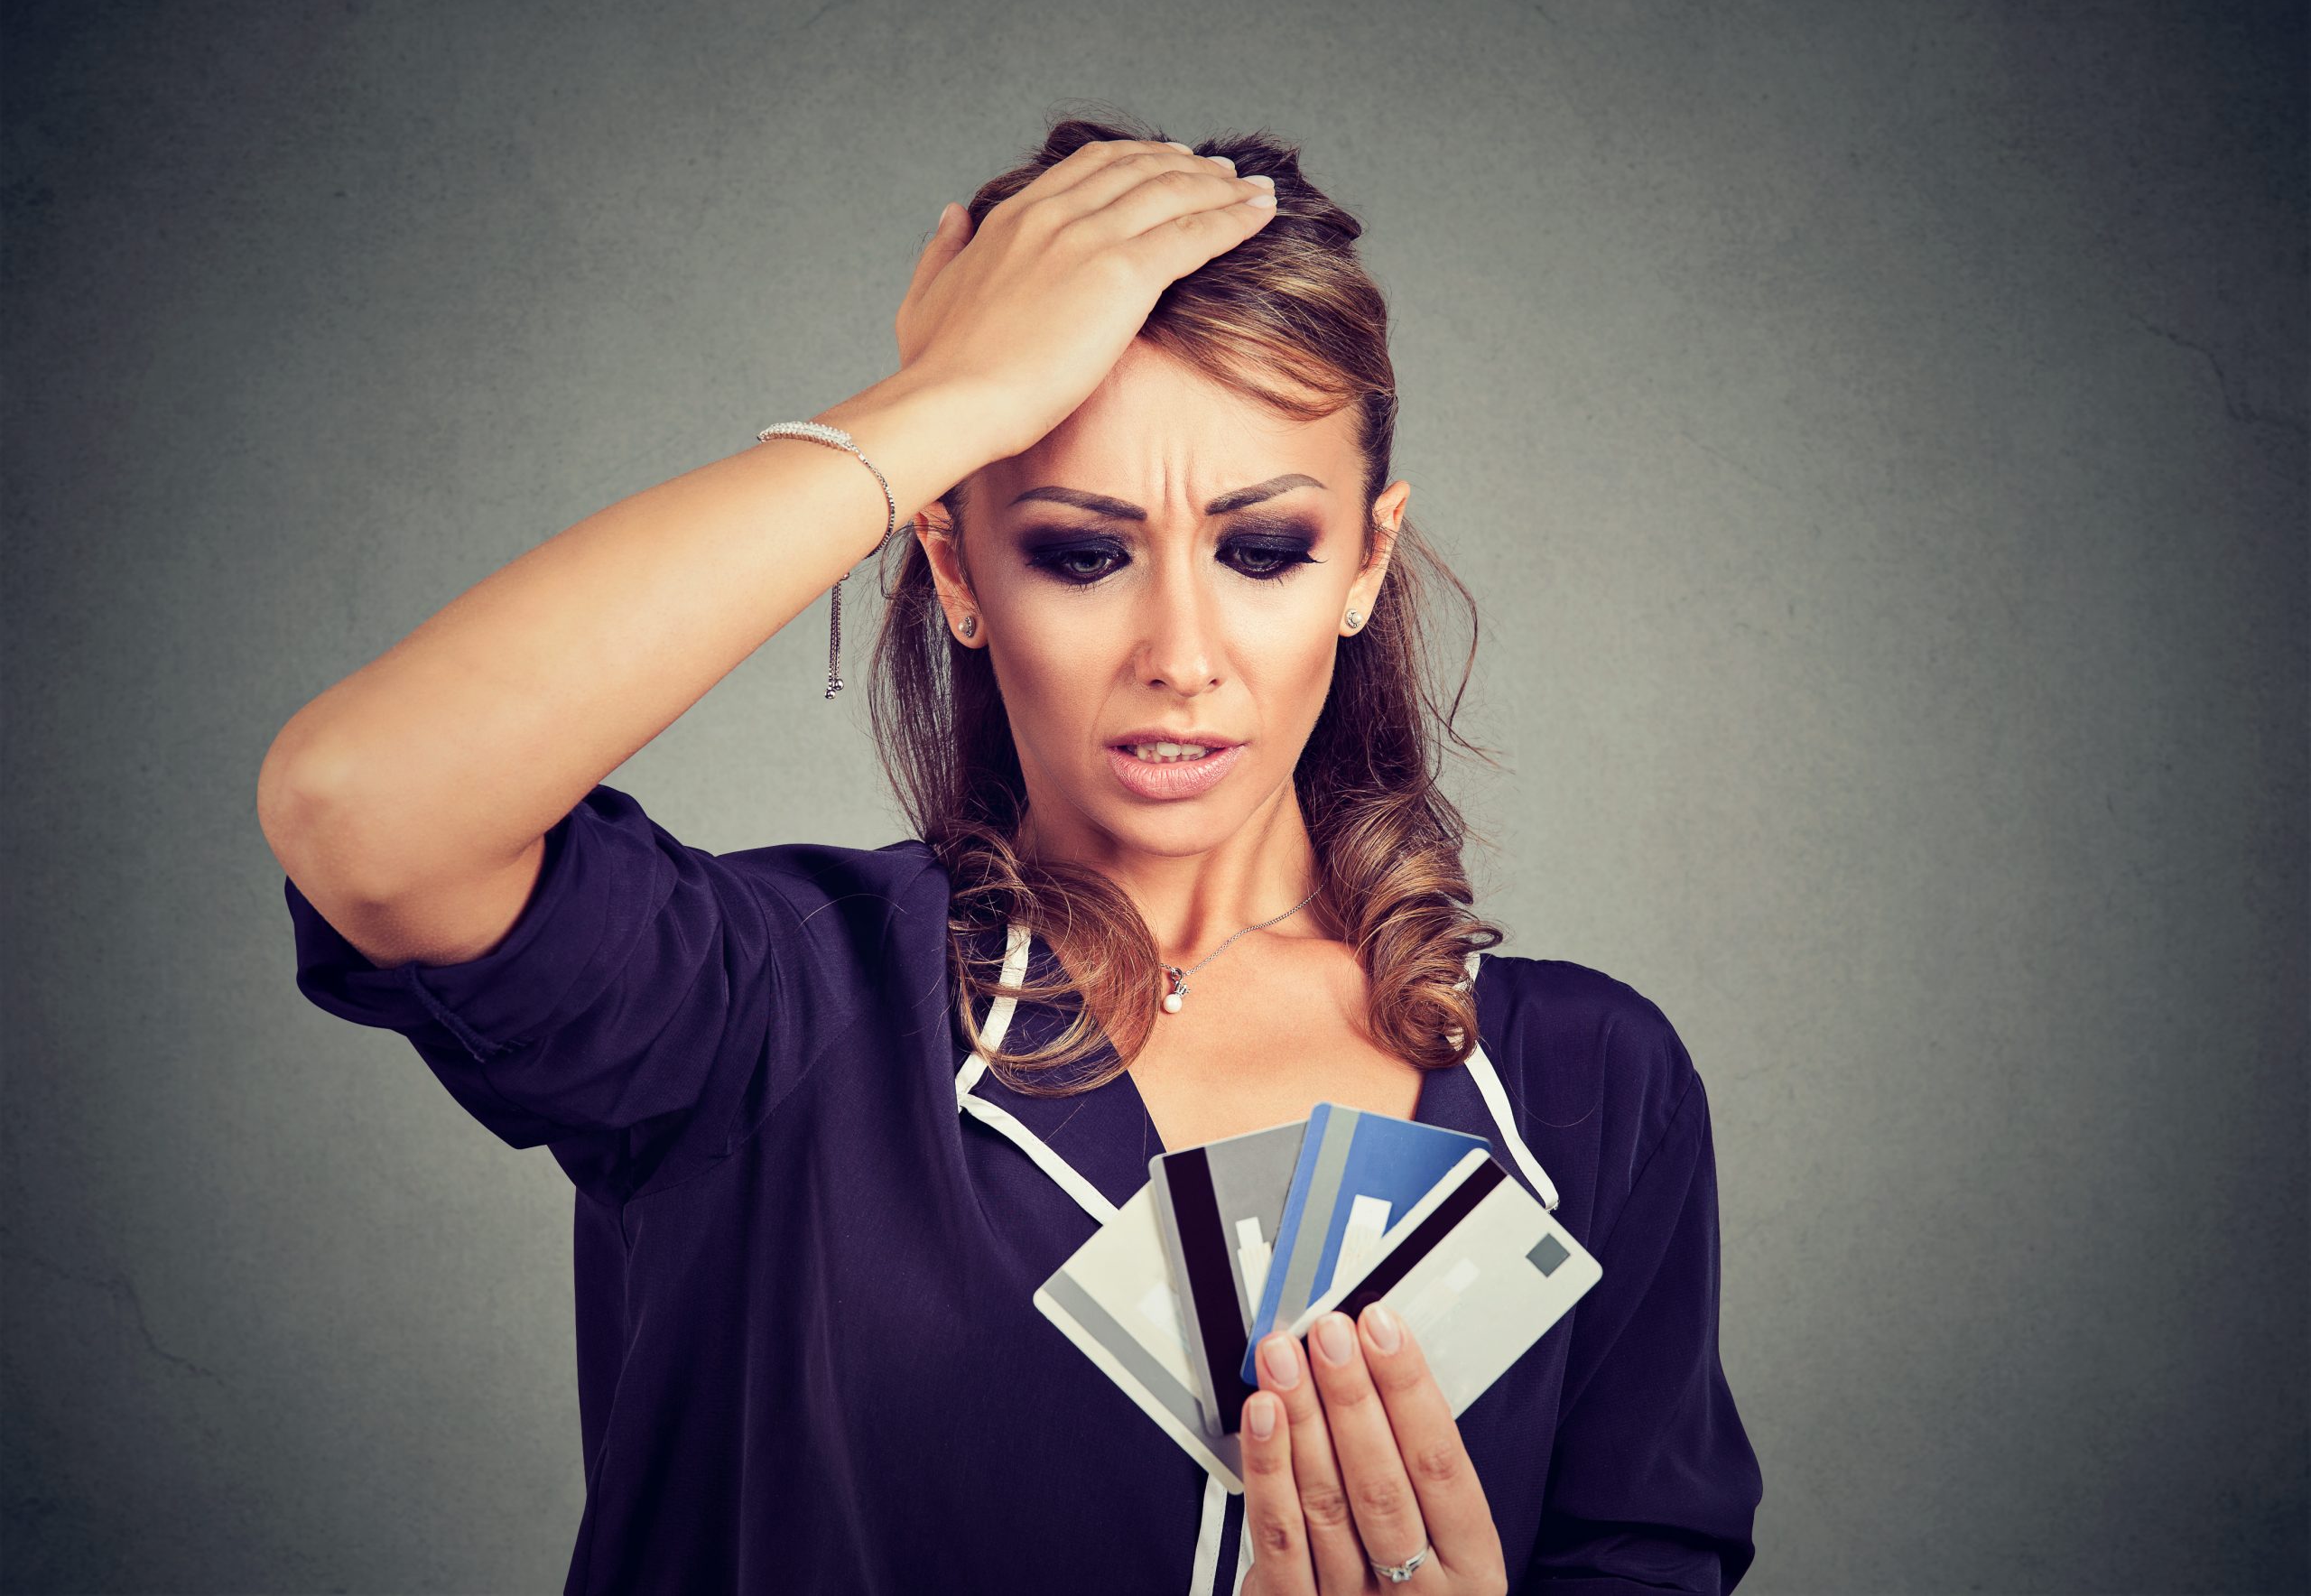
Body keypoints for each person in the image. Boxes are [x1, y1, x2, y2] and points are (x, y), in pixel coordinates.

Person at [260, 110, 1764, 1596]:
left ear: (1365, 563)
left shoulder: (1588, 1090)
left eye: (1261, 552)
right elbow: (364, 806)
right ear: (956, 565)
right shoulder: (772, 1011)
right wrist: (949, 400)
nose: (1182, 655)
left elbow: (1643, 1559)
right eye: (1081, 551)